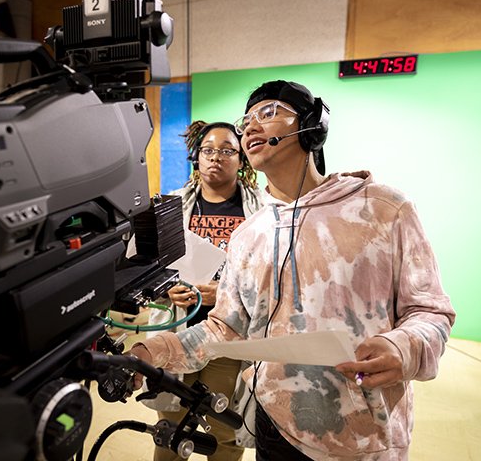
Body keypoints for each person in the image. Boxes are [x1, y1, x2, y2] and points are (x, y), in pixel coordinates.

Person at [130, 80, 456, 460]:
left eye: (268, 114)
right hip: (275, 426)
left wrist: (402, 347)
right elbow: (224, 328)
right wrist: (148, 351)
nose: (250, 127)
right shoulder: (249, 235)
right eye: (246, 119)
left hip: (363, 440)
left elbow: (429, 311)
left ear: (313, 126)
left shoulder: (383, 209)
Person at [144, 120, 263, 461]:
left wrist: (225, 293)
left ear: (242, 159)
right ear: (197, 157)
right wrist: (166, 291)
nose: (216, 157)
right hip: (177, 327)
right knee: (169, 428)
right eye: (208, 150)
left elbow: (272, 275)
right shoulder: (172, 206)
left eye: (227, 150)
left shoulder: (263, 211)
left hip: (229, 335)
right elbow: (149, 265)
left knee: (224, 429)